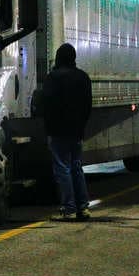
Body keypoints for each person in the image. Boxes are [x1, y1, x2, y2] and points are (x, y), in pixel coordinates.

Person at [43, 43, 93, 221]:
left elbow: (46, 104)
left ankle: (69, 208)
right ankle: (83, 207)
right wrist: (81, 125)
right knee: (76, 167)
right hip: (77, 130)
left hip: (58, 131)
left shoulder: (53, 78)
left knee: (62, 168)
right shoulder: (83, 77)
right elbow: (88, 106)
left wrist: (47, 127)